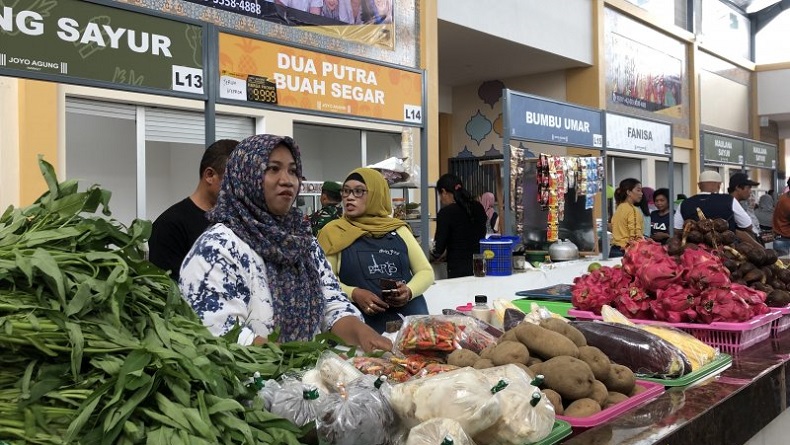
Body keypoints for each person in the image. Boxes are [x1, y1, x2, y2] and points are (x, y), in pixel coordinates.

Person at [179, 135, 391, 352]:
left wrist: (362, 333)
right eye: (273, 169)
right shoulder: (217, 248)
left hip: (307, 381)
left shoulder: (302, 242)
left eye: (292, 171)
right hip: (249, 382)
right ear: (245, 175)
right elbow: (222, 335)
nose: (287, 180)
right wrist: (305, 358)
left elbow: (332, 305)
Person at [317, 168, 433, 333]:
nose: (349, 197)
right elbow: (324, 281)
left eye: (359, 192)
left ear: (376, 194)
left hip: (410, 326)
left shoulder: (398, 229)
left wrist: (408, 291)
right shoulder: (334, 232)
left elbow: (425, 272)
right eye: (346, 191)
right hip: (361, 329)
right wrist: (354, 293)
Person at [148, 139, 238, 281]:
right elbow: (166, 289)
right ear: (209, 175)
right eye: (236, 180)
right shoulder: (170, 225)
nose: (242, 189)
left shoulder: (238, 222)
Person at [673, 171, 759, 246]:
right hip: (725, 252)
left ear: (699, 185)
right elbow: (747, 226)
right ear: (719, 185)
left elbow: (677, 230)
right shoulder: (729, 200)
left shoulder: (684, 203)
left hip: (694, 251)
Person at [430, 174, 488, 278]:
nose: (441, 199)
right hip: (479, 266)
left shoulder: (445, 213)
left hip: (457, 269)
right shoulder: (478, 207)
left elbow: (438, 250)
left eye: (440, 195)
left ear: (443, 192)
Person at [610, 178, 644, 258]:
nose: (641, 194)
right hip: (625, 251)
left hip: (614, 249)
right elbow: (635, 236)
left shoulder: (619, 207)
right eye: (638, 190)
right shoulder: (632, 210)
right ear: (628, 192)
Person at [773, 179, 790, 256]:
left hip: (781, 239)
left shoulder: (784, 196)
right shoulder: (787, 204)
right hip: (785, 241)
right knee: (784, 267)